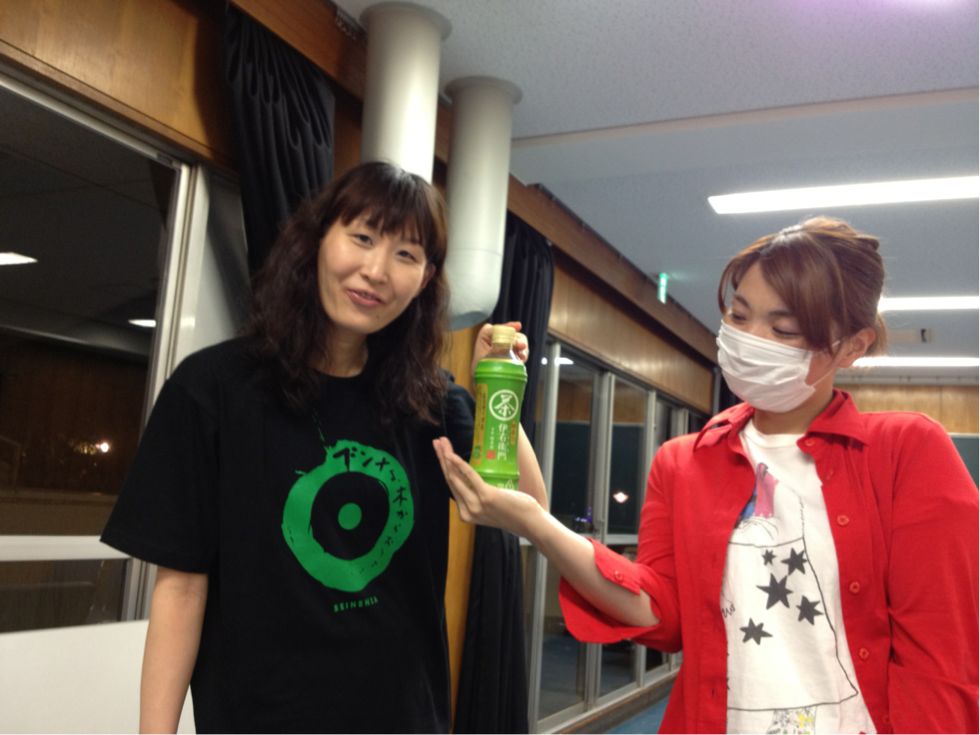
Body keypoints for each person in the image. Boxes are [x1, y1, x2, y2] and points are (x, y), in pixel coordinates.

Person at [434, 216, 979, 734]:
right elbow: (661, 613)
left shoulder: (905, 452)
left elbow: (944, 662)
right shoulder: (684, 461)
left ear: (852, 347)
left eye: (783, 328)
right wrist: (538, 525)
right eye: (739, 316)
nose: (751, 338)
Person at [101, 161, 546, 734]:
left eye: (406, 254)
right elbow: (182, 587)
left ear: (425, 278)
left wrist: (494, 387)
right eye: (361, 237)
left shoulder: (427, 400)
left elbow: (528, 509)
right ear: (317, 240)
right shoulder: (212, 389)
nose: (376, 271)